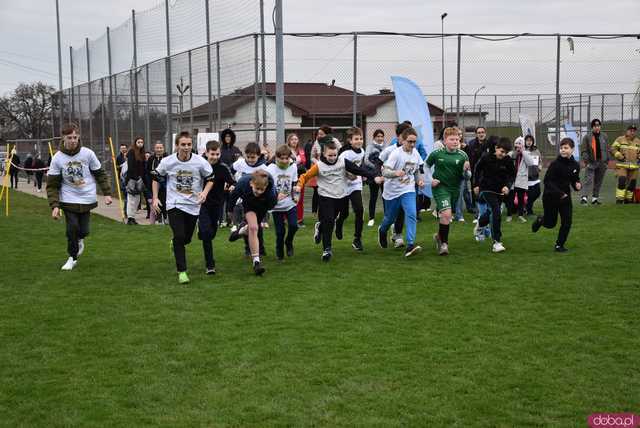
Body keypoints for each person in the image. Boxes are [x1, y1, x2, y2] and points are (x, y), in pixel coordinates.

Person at [295, 139, 381, 262]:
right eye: (330, 155)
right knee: (329, 221)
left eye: (334, 155)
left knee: (344, 214)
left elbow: (358, 170)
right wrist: (299, 185)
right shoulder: (318, 166)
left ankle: (320, 227)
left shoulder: (342, 162)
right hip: (326, 197)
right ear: (324, 154)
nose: (332, 157)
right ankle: (327, 249)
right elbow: (305, 176)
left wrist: (374, 176)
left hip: (341, 196)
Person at [46, 123, 113, 271]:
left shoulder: (88, 154)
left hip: (87, 197)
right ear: (63, 138)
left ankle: (80, 239)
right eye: (69, 137)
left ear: (79, 137)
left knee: (83, 231)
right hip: (68, 198)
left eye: (75, 137)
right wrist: (55, 206)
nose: (73, 140)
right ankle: (72, 258)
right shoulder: (57, 158)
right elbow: (52, 185)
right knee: (72, 229)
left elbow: (100, 174)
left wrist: (107, 193)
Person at [152, 131, 213, 284]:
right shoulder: (168, 161)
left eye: (189, 144)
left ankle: (176, 242)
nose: (186, 147)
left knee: (186, 239)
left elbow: (211, 178)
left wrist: (204, 193)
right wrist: (154, 198)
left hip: (193, 205)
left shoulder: (200, 162)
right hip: (174, 204)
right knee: (179, 236)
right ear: (177, 146)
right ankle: (182, 272)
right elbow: (155, 178)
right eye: (183, 145)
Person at [377, 126, 425, 257]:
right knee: (390, 218)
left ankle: (410, 245)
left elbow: (416, 170)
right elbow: (385, 171)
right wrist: (395, 173)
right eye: (410, 141)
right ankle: (382, 230)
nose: (412, 144)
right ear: (402, 140)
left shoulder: (415, 153)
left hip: (408, 189)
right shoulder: (396, 153)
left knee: (411, 214)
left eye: (414, 142)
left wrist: (419, 180)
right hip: (392, 191)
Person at [426, 127, 471, 256]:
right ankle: (444, 245)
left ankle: (439, 236)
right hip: (440, 187)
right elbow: (426, 165)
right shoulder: (437, 153)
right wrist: (430, 179)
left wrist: (465, 171)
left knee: (447, 216)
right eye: (452, 139)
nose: (455, 141)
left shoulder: (463, 155)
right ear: (445, 141)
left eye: (457, 139)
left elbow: (468, 176)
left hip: (455, 189)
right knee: (446, 214)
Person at [532, 138, 581, 252]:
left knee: (567, 222)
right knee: (550, 224)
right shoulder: (555, 164)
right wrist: (559, 193)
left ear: (572, 149)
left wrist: (577, 185)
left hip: (565, 198)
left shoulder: (575, 165)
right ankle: (540, 220)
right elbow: (547, 182)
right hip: (551, 197)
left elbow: (574, 179)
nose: (563, 150)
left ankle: (559, 245)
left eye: (566, 148)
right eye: (561, 148)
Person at [228, 171, 277, 275]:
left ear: (266, 186)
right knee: (254, 228)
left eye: (261, 189)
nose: (259, 191)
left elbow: (271, 205)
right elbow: (233, 196)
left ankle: (241, 231)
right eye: (257, 188)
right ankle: (256, 262)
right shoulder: (242, 182)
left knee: (252, 228)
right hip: (248, 203)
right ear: (251, 184)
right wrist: (230, 211)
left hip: (263, 205)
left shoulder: (270, 190)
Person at [472, 138, 516, 253]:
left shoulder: (508, 160)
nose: (503, 154)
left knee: (492, 212)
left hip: (500, 191)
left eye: (506, 152)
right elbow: (477, 170)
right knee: (496, 211)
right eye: (501, 151)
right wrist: (476, 184)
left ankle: (480, 224)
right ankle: (497, 242)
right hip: (486, 189)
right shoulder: (486, 158)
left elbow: (512, 175)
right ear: (496, 148)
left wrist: (507, 185)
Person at [199, 140, 235, 275]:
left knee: (212, 232)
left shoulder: (223, 167)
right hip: (202, 204)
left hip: (217, 205)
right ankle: (210, 264)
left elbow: (232, 181)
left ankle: (202, 231)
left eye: (217, 154)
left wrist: (231, 185)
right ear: (206, 153)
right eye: (212, 154)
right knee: (207, 234)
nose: (214, 157)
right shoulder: (199, 164)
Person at [232, 142, 269, 256]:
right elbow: (229, 170)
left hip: (258, 200)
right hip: (244, 200)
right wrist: (232, 183)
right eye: (248, 157)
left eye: (253, 157)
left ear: (258, 156)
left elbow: (268, 182)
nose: (250, 159)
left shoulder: (263, 167)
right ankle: (249, 248)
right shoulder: (240, 163)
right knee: (249, 225)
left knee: (256, 226)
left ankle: (260, 248)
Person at [335, 127, 367, 251]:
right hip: (343, 185)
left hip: (355, 185)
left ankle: (357, 239)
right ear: (350, 141)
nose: (359, 141)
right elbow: (338, 168)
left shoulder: (362, 151)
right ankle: (339, 222)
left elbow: (359, 165)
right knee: (344, 213)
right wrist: (348, 174)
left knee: (359, 209)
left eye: (361, 138)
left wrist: (361, 175)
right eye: (356, 139)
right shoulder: (345, 154)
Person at [266, 145, 299, 260]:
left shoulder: (293, 167)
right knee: (280, 232)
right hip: (276, 206)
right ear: (277, 158)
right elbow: (265, 186)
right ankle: (279, 250)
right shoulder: (270, 168)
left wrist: (296, 194)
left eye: (287, 158)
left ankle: (288, 242)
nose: (285, 161)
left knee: (294, 226)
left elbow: (295, 183)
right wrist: (275, 195)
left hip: (290, 203)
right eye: (282, 158)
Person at [580, 118, 608, 205]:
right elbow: (584, 150)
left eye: (598, 126)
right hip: (591, 162)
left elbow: (607, 149)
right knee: (588, 180)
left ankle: (594, 199)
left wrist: (606, 161)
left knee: (598, 181)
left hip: (602, 162)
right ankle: (584, 198)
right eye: (595, 126)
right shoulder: (587, 137)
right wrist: (586, 161)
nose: (597, 127)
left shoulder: (604, 136)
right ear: (592, 127)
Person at [506, 136, 535, 223]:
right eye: (517, 144)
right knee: (510, 198)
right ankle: (509, 215)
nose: (518, 146)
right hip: (512, 180)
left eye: (520, 144)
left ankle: (520, 215)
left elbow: (530, 163)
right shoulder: (511, 154)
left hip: (521, 180)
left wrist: (523, 152)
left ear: (522, 145)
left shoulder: (526, 153)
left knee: (521, 199)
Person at [610, 124, 640, 204]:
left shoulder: (638, 141)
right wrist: (619, 156)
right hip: (622, 165)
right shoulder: (620, 139)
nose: (632, 132)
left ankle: (628, 200)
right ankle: (619, 200)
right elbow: (612, 149)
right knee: (622, 181)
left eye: (634, 131)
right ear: (627, 131)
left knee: (632, 184)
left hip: (634, 167)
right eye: (631, 131)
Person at [219, 128, 242, 226]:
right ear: (223, 138)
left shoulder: (236, 150)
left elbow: (240, 163)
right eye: (226, 136)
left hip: (233, 178)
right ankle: (221, 220)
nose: (228, 138)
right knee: (221, 200)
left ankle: (232, 220)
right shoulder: (220, 149)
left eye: (229, 136)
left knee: (232, 199)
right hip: (222, 178)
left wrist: (233, 180)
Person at [365, 129, 386, 226]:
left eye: (381, 136)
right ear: (374, 137)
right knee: (373, 197)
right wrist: (377, 168)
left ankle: (387, 216)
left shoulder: (386, 147)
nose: (380, 138)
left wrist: (384, 168)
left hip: (384, 175)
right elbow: (366, 161)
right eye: (378, 136)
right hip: (373, 175)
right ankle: (371, 218)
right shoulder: (370, 146)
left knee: (386, 196)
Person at [286, 133, 307, 226]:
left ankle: (299, 219)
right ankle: (286, 219)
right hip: (288, 177)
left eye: (296, 139)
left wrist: (295, 161)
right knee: (288, 197)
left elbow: (304, 160)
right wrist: (295, 161)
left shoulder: (301, 150)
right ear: (289, 141)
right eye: (292, 139)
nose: (294, 141)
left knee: (299, 198)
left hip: (299, 177)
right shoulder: (286, 150)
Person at [125, 137, 146, 225]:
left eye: (142, 142)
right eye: (138, 142)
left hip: (139, 179)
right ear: (135, 143)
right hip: (132, 179)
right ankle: (130, 218)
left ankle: (133, 217)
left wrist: (141, 177)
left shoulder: (142, 153)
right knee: (131, 199)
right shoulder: (131, 152)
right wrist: (135, 178)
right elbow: (130, 166)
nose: (140, 143)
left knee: (137, 199)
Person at [147, 142, 168, 224]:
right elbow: (148, 171)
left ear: (163, 148)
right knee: (155, 201)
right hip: (154, 184)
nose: (159, 150)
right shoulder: (151, 159)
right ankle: (158, 219)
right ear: (154, 149)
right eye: (157, 148)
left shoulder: (167, 158)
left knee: (164, 201)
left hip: (165, 184)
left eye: (160, 148)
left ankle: (166, 218)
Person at [524, 135, 542, 215]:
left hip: (535, 175)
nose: (529, 142)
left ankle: (527, 206)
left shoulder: (536, 150)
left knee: (537, 192)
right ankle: (529, 211)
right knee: (530, 194)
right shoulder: (522, 150)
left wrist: (540, 166)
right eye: (527, 140)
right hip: (526, 177)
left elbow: (540, 161)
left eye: (530, 140)